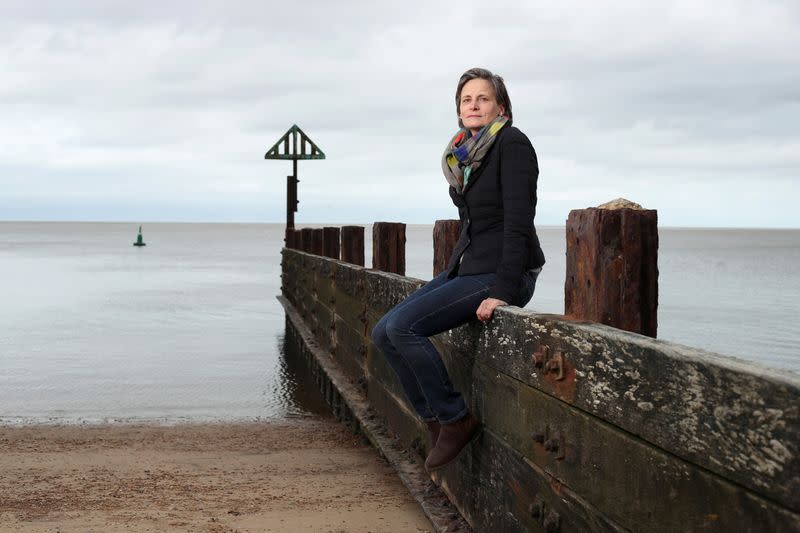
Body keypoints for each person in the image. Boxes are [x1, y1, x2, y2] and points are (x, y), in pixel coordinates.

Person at [371, 67, 546, 471]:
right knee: (383, 331)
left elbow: (519, 221)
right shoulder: (462, 154)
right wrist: (454, 271)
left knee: (404, 328)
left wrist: (503, 289)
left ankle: (455, 419)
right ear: (458, 109)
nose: (474, 105)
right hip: (468, 268)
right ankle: (434, 421)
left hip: (503, 273)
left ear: (500, 106)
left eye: (483, 98)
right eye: (466, 100)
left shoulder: (512, 144)